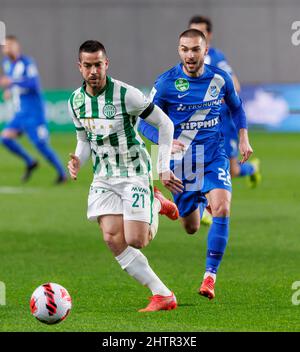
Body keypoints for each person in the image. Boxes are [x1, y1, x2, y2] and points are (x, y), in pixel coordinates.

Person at [67, 40, 183, 312]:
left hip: (134, 172)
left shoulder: (126, 95)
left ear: (106, 64)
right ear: (80, 67)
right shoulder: (75, 101)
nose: (93, 70)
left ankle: (156, 202)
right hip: (104, 176)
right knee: (111, 237)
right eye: (88, 65)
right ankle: (162, 294)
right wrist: (77, 161)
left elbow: (165, 123)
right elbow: (84, 141)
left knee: (136, 240)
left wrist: (162, 167)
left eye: (98, 64)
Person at [138, 29, 253, 299]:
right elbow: (143, 121)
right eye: (185, 49)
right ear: (179, 51)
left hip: (214, 155)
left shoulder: (220, 78)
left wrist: (243, 137)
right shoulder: (166, 83)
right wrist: (166, 144)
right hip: (183, 163)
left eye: (195, 49)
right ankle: (167, 204)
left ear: (204, 51)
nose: (190, 55)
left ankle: (209, 278)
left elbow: (236, 107)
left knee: (223, 207)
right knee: (190, 227)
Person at [189, 15, 261, 188]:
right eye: (193, 30)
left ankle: (252, 169)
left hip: (222, 120)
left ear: (209, 35)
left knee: (232, 170)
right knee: (194, 166)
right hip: (199, 123)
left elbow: (235, 85)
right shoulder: (189, 57)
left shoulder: (216, 57)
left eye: (201, 31)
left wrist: (215, 99)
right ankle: (203, 209)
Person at [0, 35, 67, 183]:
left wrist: (12, 82)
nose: (7, 48)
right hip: (20, 113)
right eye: (5, 46)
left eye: (10, 45)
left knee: (40, 145)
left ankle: (62, 174)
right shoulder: (6, 64)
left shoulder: (27, 63)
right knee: (4, 138)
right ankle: (30, 162)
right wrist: (9, 89)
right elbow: (14, 84)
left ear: (17, 47)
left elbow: (33, 83)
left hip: (34, 113)